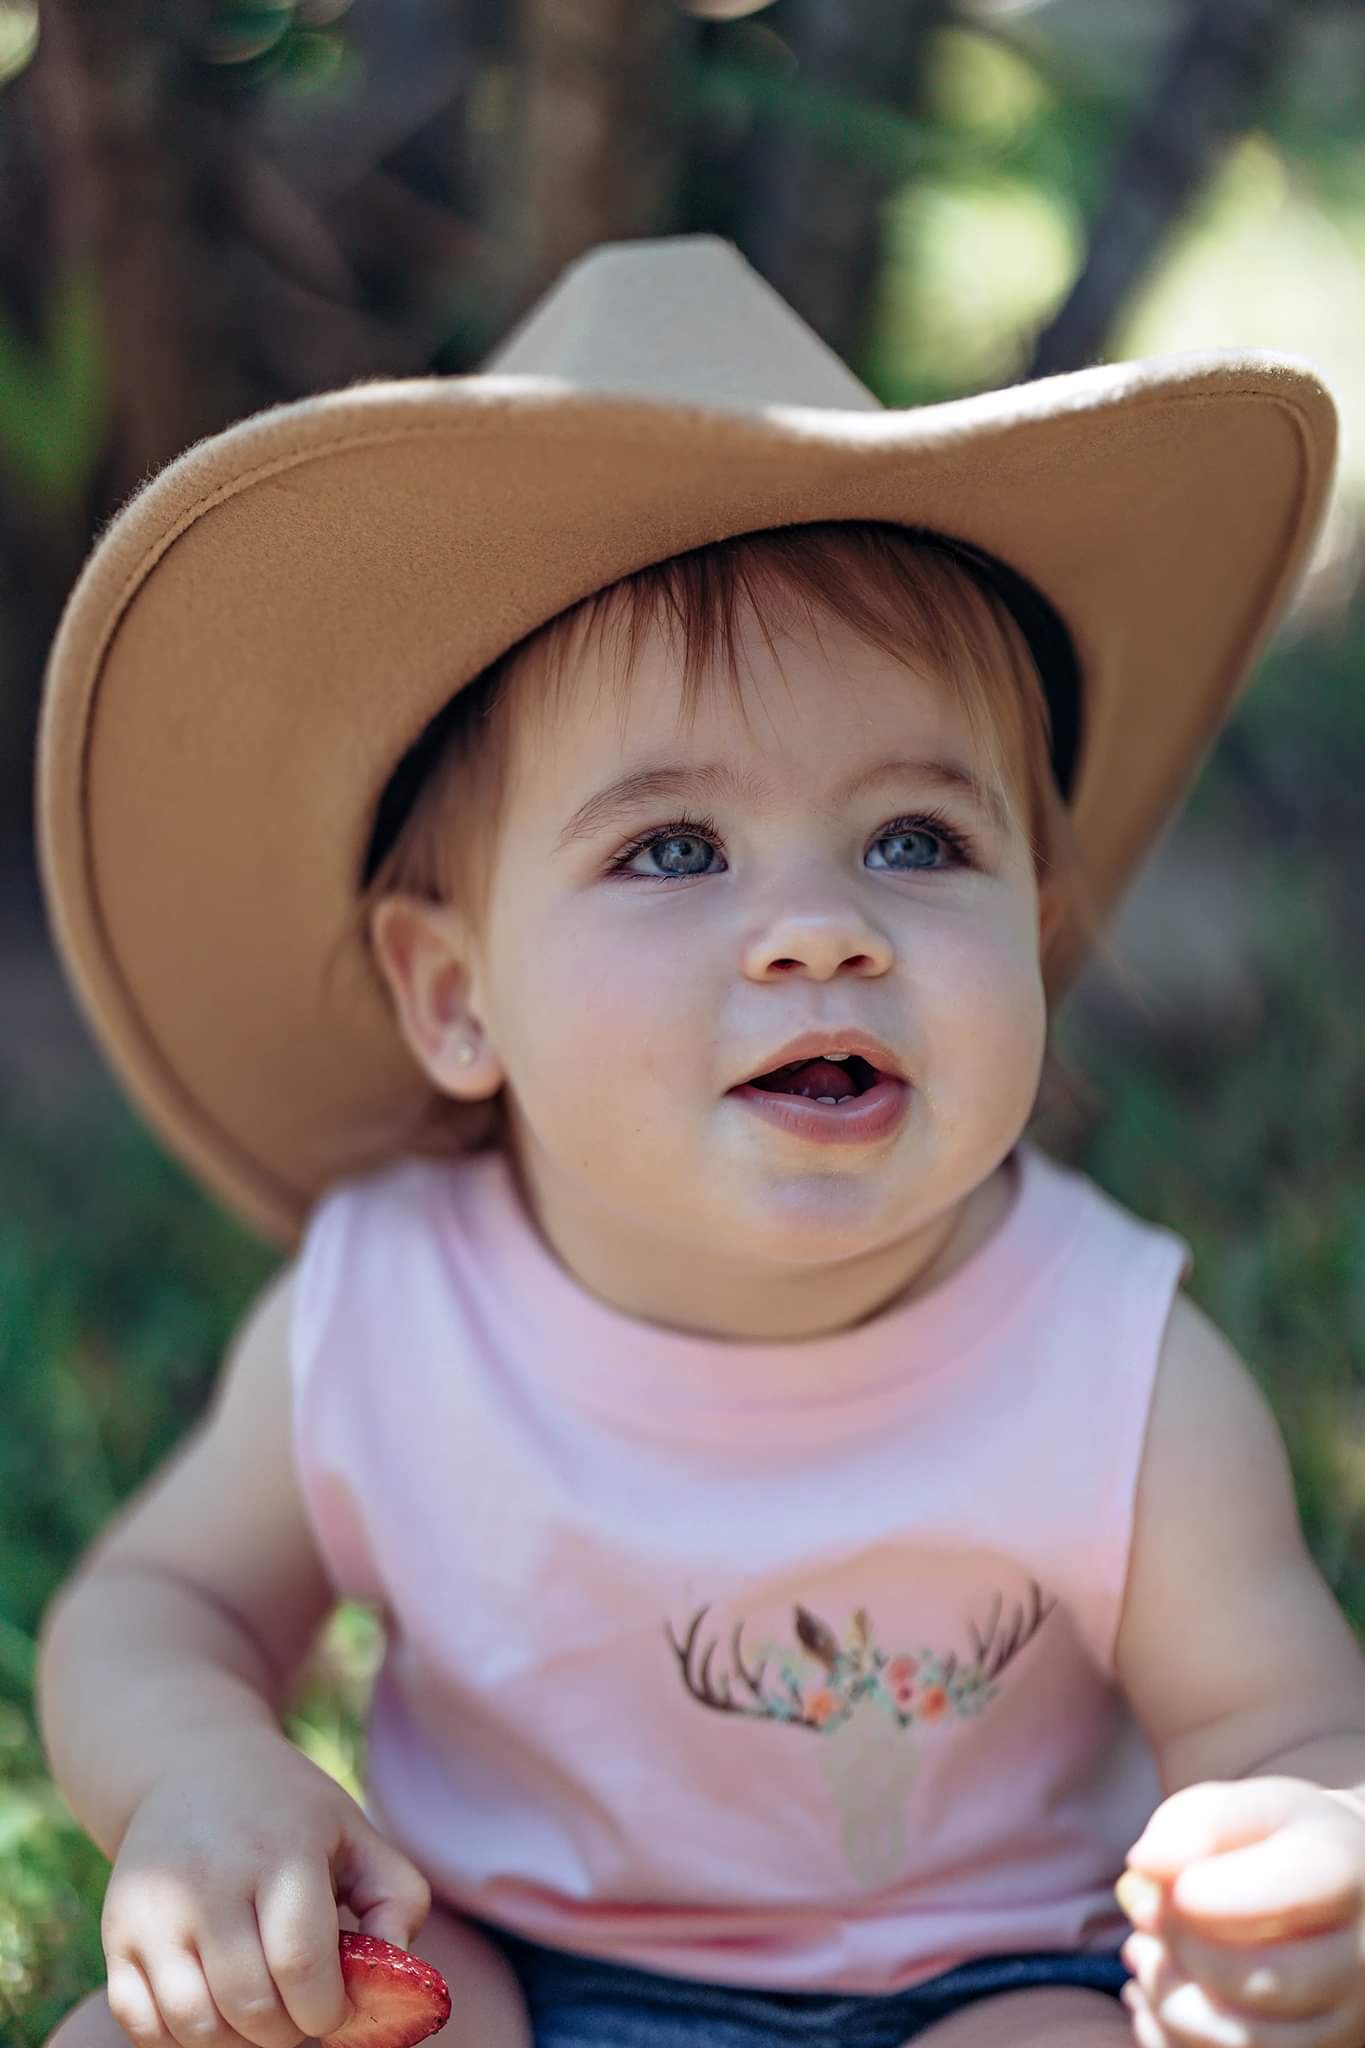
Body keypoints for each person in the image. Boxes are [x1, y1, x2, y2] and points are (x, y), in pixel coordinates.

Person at [31, 236, 1365, 2048]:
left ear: (1034, 923)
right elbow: (154, 1603)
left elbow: (1284, 1723)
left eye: (913, 840)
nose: (822, 929)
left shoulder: (1113, 1363)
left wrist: (1292, 1857)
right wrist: (195, 1779)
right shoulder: (391, 1316)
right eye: (671, 851)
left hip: (981, 1982)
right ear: (454, 996)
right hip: (488, 1958)